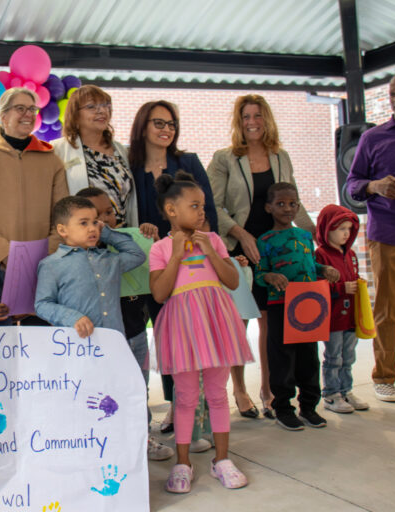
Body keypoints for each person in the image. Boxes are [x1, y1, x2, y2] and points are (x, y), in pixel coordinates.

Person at [207, 94, 315, 419]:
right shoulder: (225, 158)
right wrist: (240, 235)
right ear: (238, 122)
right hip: (239, 251)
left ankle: (269, 389)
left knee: (273, 325)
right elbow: (213, 205)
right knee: (238, 323)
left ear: (266, 119)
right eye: (246, 117)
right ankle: (239, 389)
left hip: (276, 253)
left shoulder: (281, 156)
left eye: (257, 116)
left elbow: (294, 200)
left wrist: (312, 235)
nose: (252, 122)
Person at [149, 171, 252, 493]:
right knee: (186, 397)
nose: (202, 211)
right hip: (182, 327)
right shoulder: (160, 249)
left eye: (203, 205)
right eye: (195, 205)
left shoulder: (215, 241)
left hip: (216, 321)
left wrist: (210, 251)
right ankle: (182, 463)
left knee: (218, 394)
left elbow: (232, 281)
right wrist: (178, 253)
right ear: (171, 210)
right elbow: (159, 294)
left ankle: (222, 460)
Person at [128, 99, 219, 430]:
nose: (167, 130)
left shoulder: (188, 162)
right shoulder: (129, 165)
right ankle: (174, 403)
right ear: (143, 126)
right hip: (147, 265)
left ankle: (192, 409)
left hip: (189, 262)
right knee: (162, 335)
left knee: (190, 338)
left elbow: (207, 214)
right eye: (159, 123)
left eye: (171, 124)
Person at [70, 188, 175, 461]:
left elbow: (145, 257)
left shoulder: (128, 240)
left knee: (138, 387)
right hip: (101, 338)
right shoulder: (81, 255)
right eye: (93, 217)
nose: (104, 220)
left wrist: (148, 237)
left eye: (108, 213)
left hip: (135, 331)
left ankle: (142, 437)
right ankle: (106, 442)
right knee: (103, 392)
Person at [346, 71, 395, 402]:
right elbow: (351, 185)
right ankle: (383, 377)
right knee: (387, 310)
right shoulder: (372, 138)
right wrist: (375, 186)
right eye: (392, 94)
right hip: (387, 234)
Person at [254, 183, 339, 431]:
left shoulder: (304, 236)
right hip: (280, 306)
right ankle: (283, 408)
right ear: (269, 207)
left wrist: (325, 269)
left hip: (309, 305)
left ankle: (309, 407)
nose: (287, 208)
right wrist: (270, 277)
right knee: (282, 358)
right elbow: (259, 274)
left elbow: (311, 264)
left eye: (292, 204)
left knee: (309, 358)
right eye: (280, 204)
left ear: (299, 206)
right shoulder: (265, 240)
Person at [0, 87, 69, 263]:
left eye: (32, 109)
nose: (28, 114)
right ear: (3, 116)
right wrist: (5, 254)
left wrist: (48, 252)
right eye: (20, 108)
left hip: (46, 261)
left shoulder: (52, 160)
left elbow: (63, 213)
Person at [53, 85, 138, 228]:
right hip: (83, 235)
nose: (102, 110)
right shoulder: (58, 149)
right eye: (92, 106)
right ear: (75, 115)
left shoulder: (121, 151)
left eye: (106, 105)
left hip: (122, 235)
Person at [314, 205, 369, 414]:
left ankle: (346, 390)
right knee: (333, 357)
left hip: (351, 317)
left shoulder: (351, 254)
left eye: (349, 228)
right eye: (340, 228)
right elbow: (318, 288)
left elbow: (351, 277)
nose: (346, 233)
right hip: (334, 317)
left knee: (349, 356)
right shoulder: (320, 256)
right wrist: (341, 287)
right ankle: (331, 394)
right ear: (326, 229)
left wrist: (357, 284)